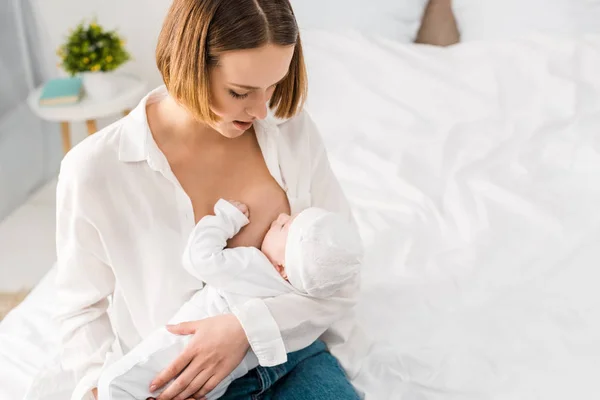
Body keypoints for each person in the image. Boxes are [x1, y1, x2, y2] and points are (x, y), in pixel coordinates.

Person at [52, 0, 367, 399]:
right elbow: (82, 307)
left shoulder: (290, 132)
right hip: (180, 385)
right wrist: (96, 388)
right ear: (189, 65)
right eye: (240, 92)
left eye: (273, 86)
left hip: (292, 359)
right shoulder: (96, 170)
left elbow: (342, 277)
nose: (261, 109)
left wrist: (246, 329)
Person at [97, 199, 363, 400]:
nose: (281, 216)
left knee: (115, 383)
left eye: (283, 226)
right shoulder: (302, 292)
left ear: (281, 268)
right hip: (217, 382)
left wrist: (225, 219)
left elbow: (198, 257)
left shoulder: (254, 265)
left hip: (185, 350)